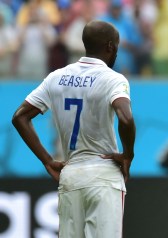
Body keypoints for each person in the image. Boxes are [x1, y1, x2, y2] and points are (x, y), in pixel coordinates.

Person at [12, 20, 136, 237]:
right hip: (103, 175)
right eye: (116, 47)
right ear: (110, 47)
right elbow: (125, 119)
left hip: (71, 175)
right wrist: (128, 155)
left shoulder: (56, 77)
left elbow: (19, 117)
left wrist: (47, 160)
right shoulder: (113, 79)